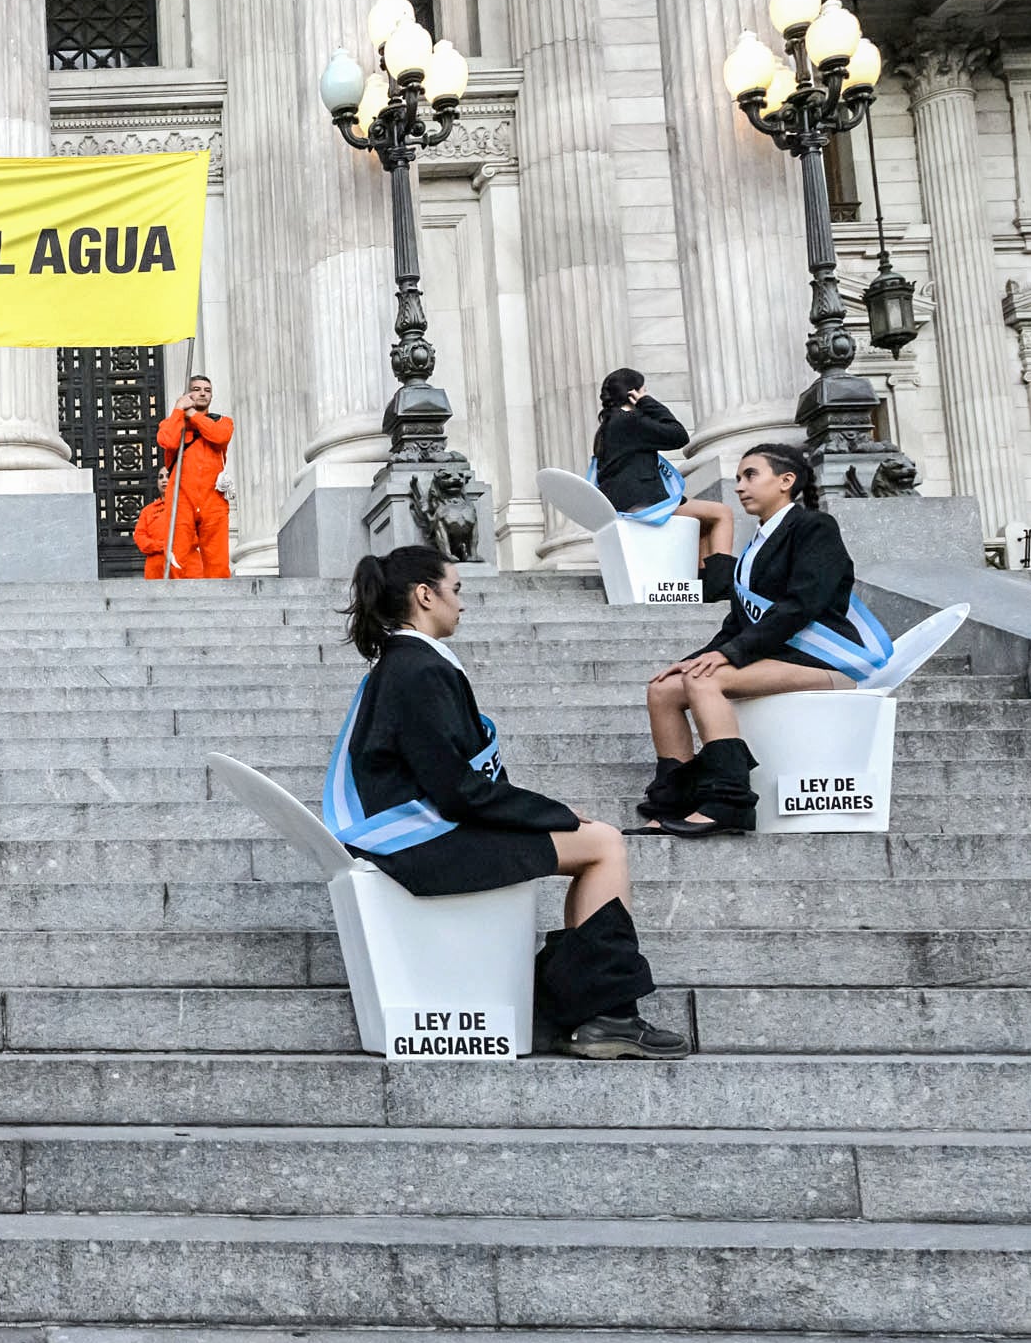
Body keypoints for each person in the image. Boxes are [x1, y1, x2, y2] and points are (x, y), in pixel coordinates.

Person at [329, 546, 686, 1060]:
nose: (462, 604)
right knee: (604, 844)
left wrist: (547, 814)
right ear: (425, 595)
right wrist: (555, 814)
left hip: (419, 834)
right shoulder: (419, 670)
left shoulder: (404, 663)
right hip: (421, 845)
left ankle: (582, 1009)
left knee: (596, 840)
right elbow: (456, 791)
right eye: (456, 590)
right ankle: (607, 1015)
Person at [637, 442, 891, 837]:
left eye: (750, 475)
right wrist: (699, 657)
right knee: (663, 689)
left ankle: (729, 801)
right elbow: (737, 622)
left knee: (705, 681)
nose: (739, 486)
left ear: (786, 481)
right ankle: (676, 802)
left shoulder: (814, 528)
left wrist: (727, 657)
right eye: (738, 477)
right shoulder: (756, 544)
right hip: (775, 658)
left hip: (825, 662)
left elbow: (801, 605)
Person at [590, 368, 733, 600]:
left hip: (624, 500)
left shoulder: (606, 428)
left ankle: (705, 586)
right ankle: (723, 587)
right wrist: (648, 402)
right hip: (645, 501)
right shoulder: (632, 421)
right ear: (633, 393)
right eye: (644, 389)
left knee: (703, 522)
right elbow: (678, 435)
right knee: (722, 513)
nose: (646, 393)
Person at [152, 374, 234, 579]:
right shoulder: (172, 424)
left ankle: (220, 601)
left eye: (207, 390)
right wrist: (179, 410)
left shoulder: (223, 422)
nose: (202, 393)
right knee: (178, 553)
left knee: (217, 556)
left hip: (213, 496)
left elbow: (219, 437)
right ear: (187, 394)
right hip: (181, 496)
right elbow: (167, 441)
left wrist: (194, 416)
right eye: (196, 389)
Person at [134, 485, 169, 580]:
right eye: (160, 477)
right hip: (155, 566)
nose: (164, 480)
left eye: (168, 476)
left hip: (181, 564)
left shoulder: (185, 508)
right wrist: (159, 546)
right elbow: (139, 536)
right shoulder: (148, 511)